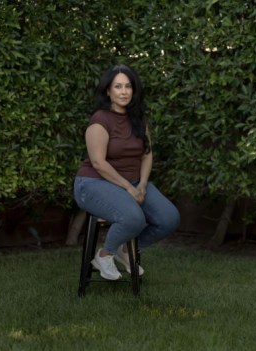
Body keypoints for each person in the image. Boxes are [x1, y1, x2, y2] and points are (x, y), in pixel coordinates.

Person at [73, 64, 180, 280]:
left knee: (169, 218)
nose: (124, 92)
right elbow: (98, 162)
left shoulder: (138, 118)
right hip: (93, 183)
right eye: (118, 86)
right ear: (108, 91)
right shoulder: (100, 120)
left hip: (133, 181)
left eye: (128, 86)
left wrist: (141, 185)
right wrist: (129, 188)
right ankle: (104, 255)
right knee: (133, 218)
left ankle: (126, 250)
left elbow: (147, 154)